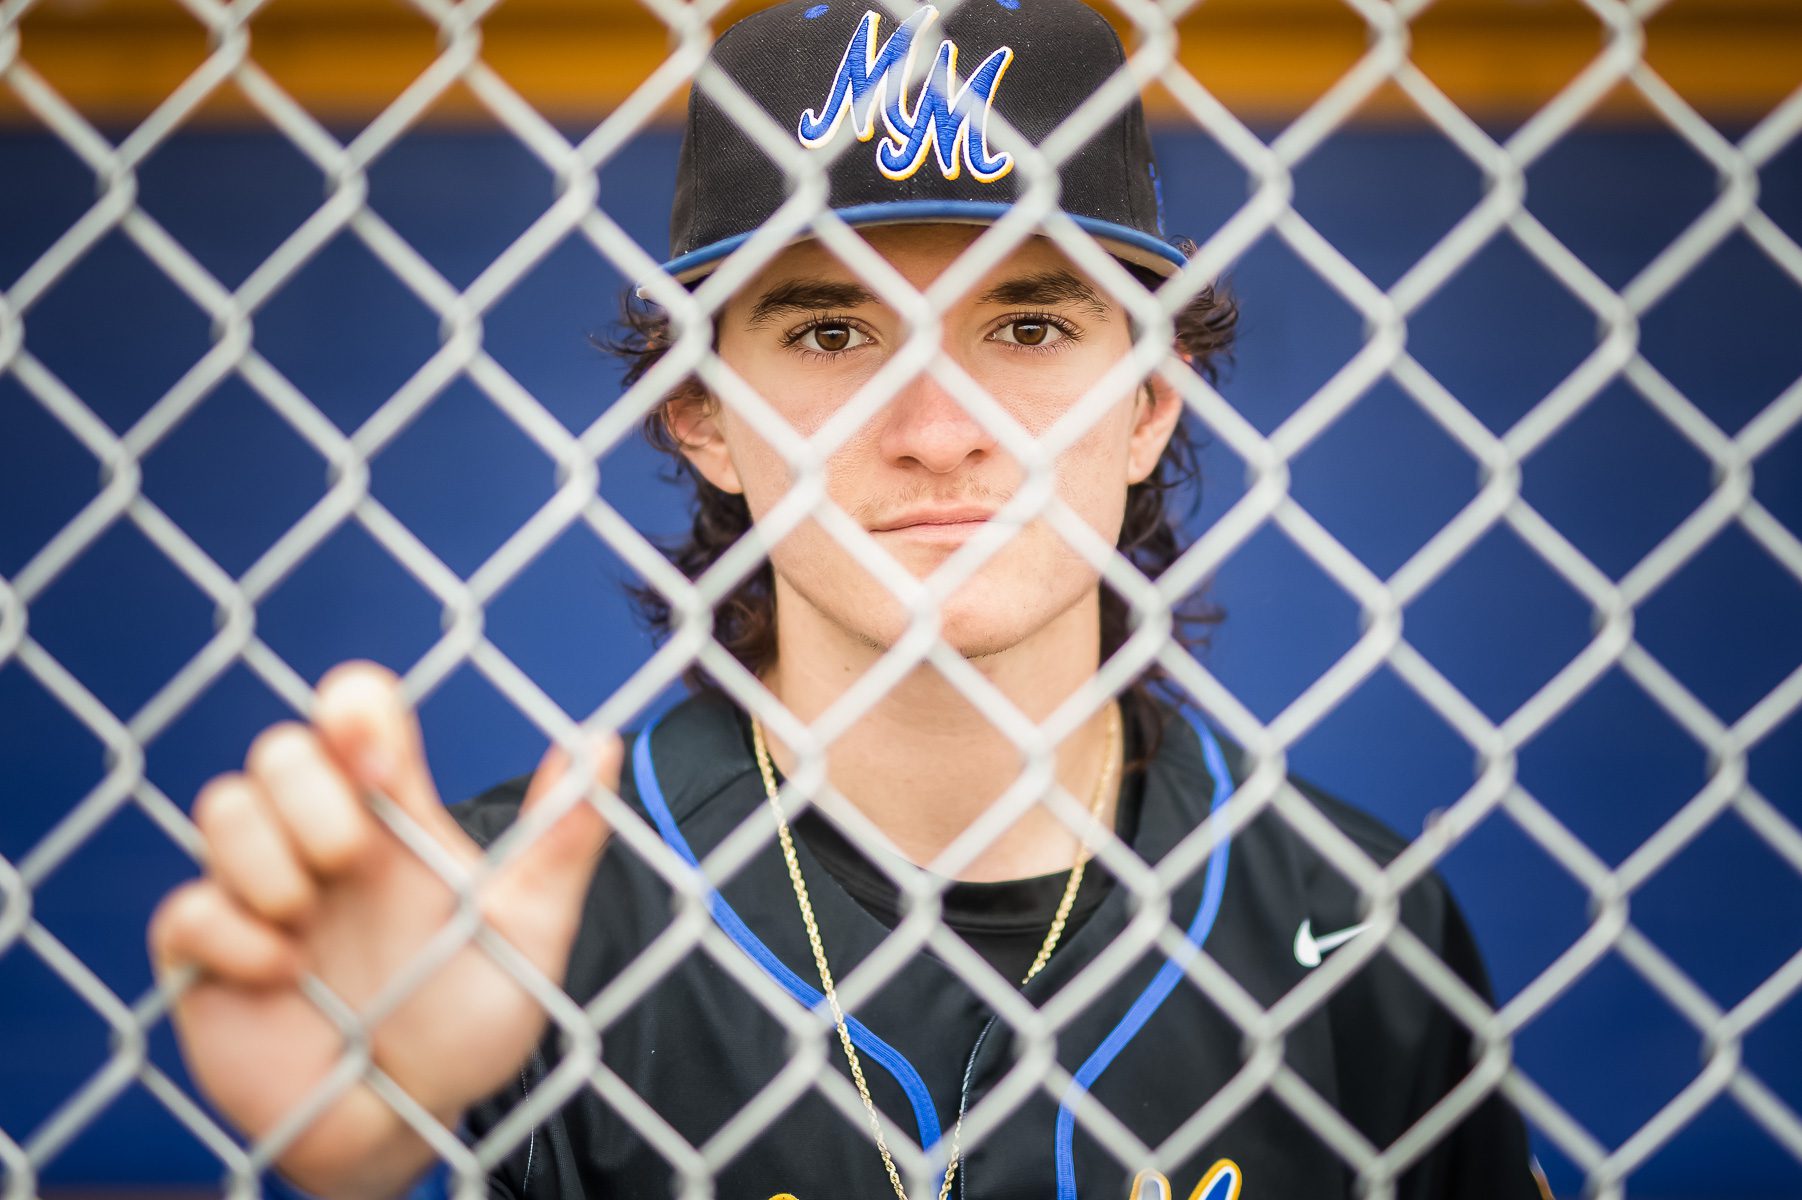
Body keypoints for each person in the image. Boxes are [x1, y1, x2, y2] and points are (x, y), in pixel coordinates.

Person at [149, 1, 1549, 1197]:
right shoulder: (489, 920)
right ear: (698, 414)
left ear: (1144, 407)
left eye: (1027, 322)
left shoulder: (1355, 925)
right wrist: (367, 1161)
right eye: (830, 330)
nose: (934, 424)